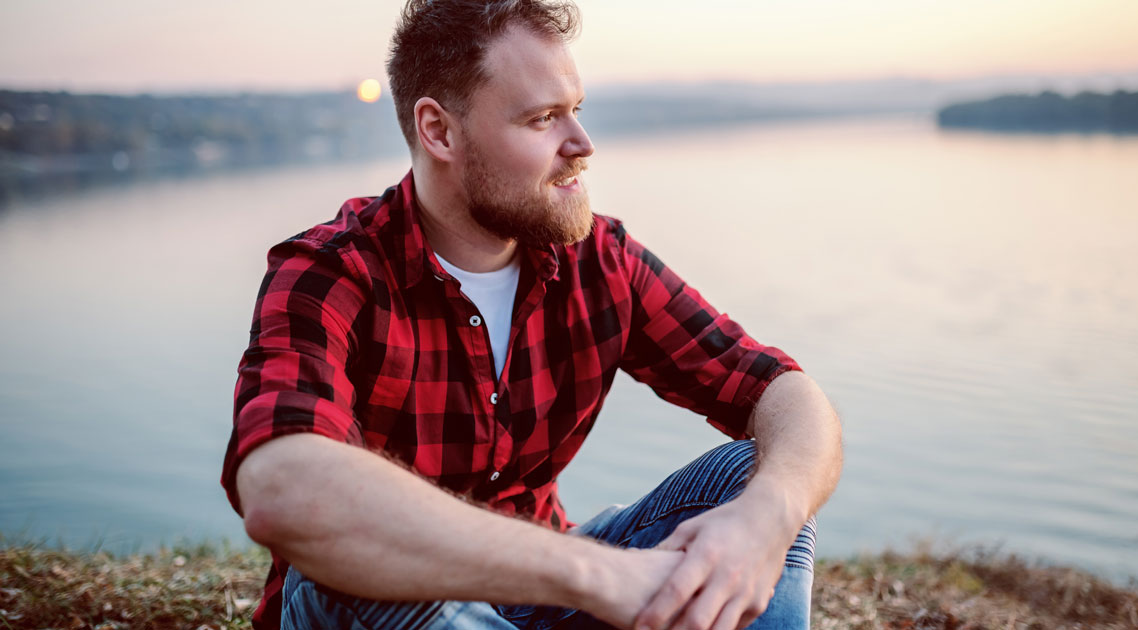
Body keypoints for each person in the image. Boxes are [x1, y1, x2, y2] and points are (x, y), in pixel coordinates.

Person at [219, 1, 843, 629]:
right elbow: (283, 487)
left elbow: (781, 389)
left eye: (576, 110)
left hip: (545, 594)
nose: (582, 145)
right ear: (439, 132)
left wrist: (771, 511)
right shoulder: (330, 273)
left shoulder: (596, 259)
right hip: (384, 606)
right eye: (543, 118)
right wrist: (597, 574)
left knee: (752, 477)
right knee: (362, 554)